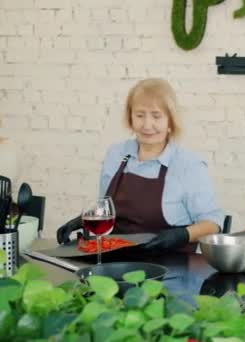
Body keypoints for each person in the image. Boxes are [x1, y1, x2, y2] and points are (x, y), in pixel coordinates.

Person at [57, 78, 224, 252]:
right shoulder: (116, 154)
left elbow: (213, 223)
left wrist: (182, 235)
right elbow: (105, 208)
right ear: (130, 118)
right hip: (117, 261)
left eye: (156, 116)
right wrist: (84, 219)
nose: (147, 125)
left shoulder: (188, 165)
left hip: (173, 268)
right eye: (140, 115)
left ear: (170, 121)